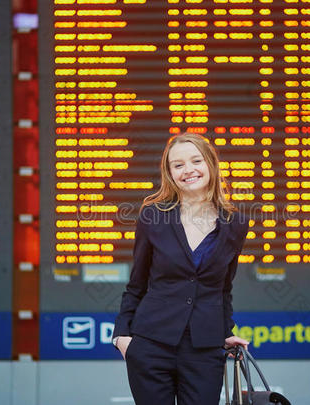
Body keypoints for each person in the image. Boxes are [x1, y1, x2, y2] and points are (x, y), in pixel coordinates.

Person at [112, 132, 250, 405]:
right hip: (151, 344)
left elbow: (223, 287)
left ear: (211, 163)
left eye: (196, 160)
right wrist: (122, 336)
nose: (188, 170)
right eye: (178, 165)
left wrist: (225, 332)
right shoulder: (153, 216)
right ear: (170, 173)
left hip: (204, 349)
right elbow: (137, 283)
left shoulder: (236, 222)